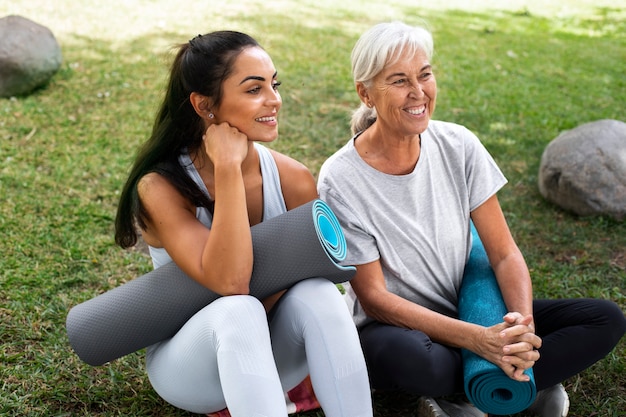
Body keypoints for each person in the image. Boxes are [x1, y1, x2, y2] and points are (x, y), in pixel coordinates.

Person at [317, 21, 626, 417]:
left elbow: (503, 254)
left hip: (471, 308)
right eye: (399, 81)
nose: (418, 92)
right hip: (401, 329)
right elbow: (376, 300)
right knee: (406, 358)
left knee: (606, 319)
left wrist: (520, 331)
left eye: (424, 75)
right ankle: (519, 383)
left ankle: (488, 385)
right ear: (366, 93)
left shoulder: (458, 144)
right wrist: (477, 339)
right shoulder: (340, 178)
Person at [114, 30, 373, 417]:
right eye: (254, 89)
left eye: (274, 84)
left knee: (320, 294)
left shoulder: (293, 179)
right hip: (191, 369)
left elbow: (316, 278)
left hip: (271, 356)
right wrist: (228, 167)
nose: (274, 100)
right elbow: (230, 283)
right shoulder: (161, 188)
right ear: (205, 106)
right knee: (238, 309)